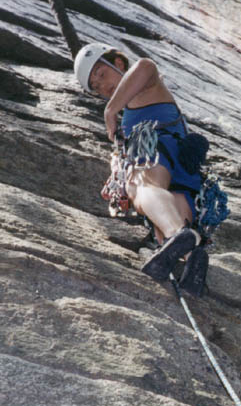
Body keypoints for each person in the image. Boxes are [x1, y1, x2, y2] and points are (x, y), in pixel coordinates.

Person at [73, 42, 209, 293]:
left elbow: (146, 66)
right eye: (96, 87)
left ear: (119, 63)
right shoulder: (135, 106)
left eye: (102, 75)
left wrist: (110, 110)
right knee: (163, 224)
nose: (102, 87)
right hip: (180, 168)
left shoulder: (139, 92)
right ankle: (192, 260)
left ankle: (179, 236)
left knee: (141, 185)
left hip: (157, 150)